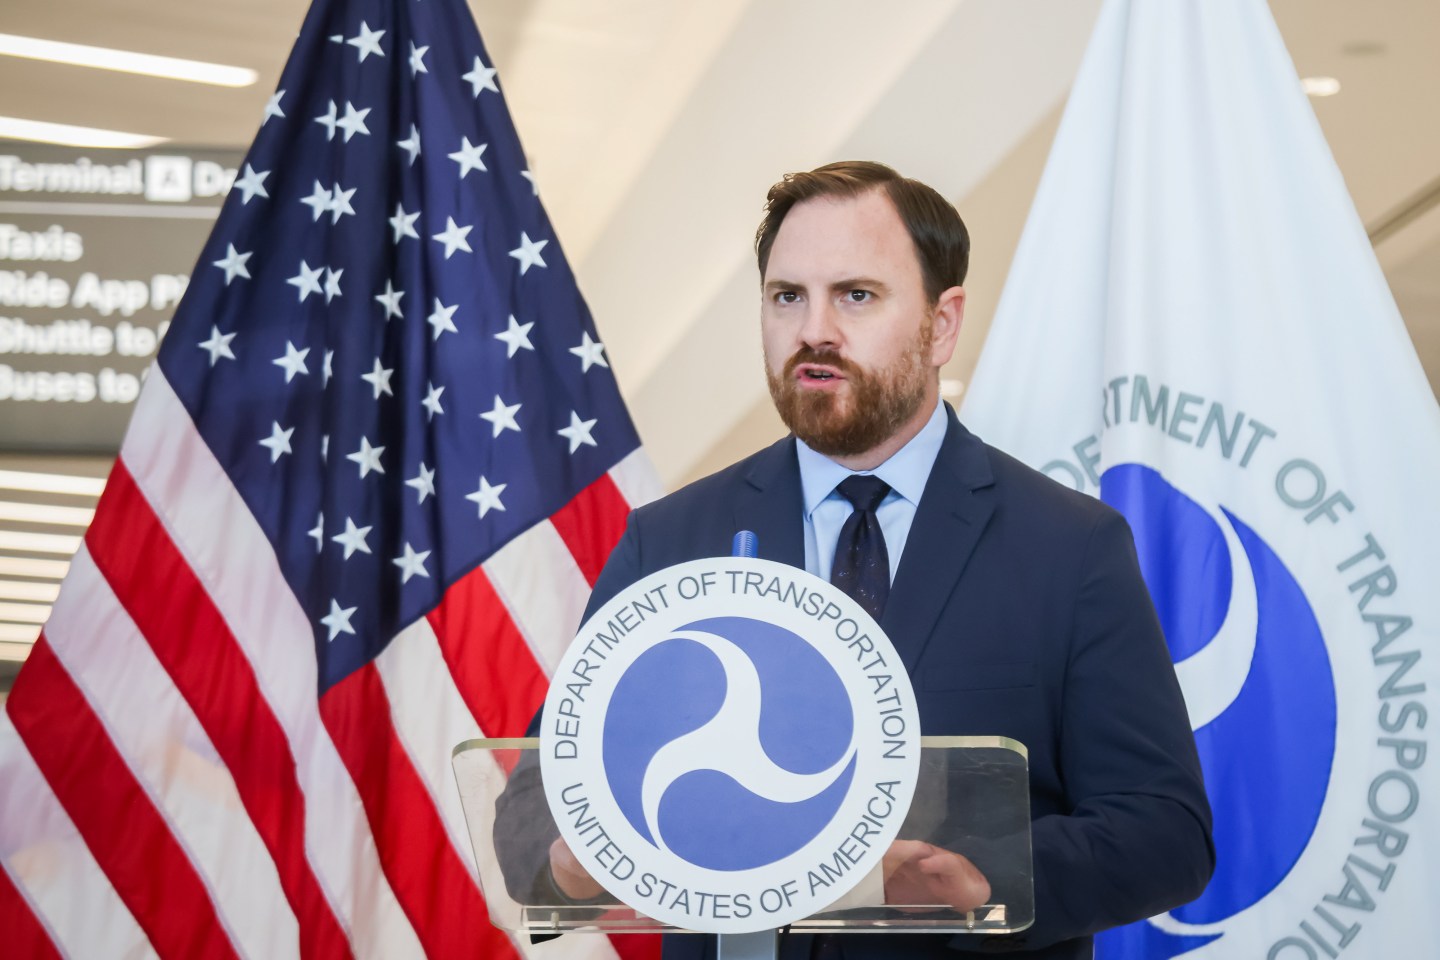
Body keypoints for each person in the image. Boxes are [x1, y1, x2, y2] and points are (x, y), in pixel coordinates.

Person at [505, 161, 1214, 959]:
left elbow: (1166, 832)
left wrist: (983, 882)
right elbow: (534, 814)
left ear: (942, 324)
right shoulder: (667, 543)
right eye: (787, 297)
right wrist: (571, 860)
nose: (814, 330)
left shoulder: (1070, 548)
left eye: (856, 295)